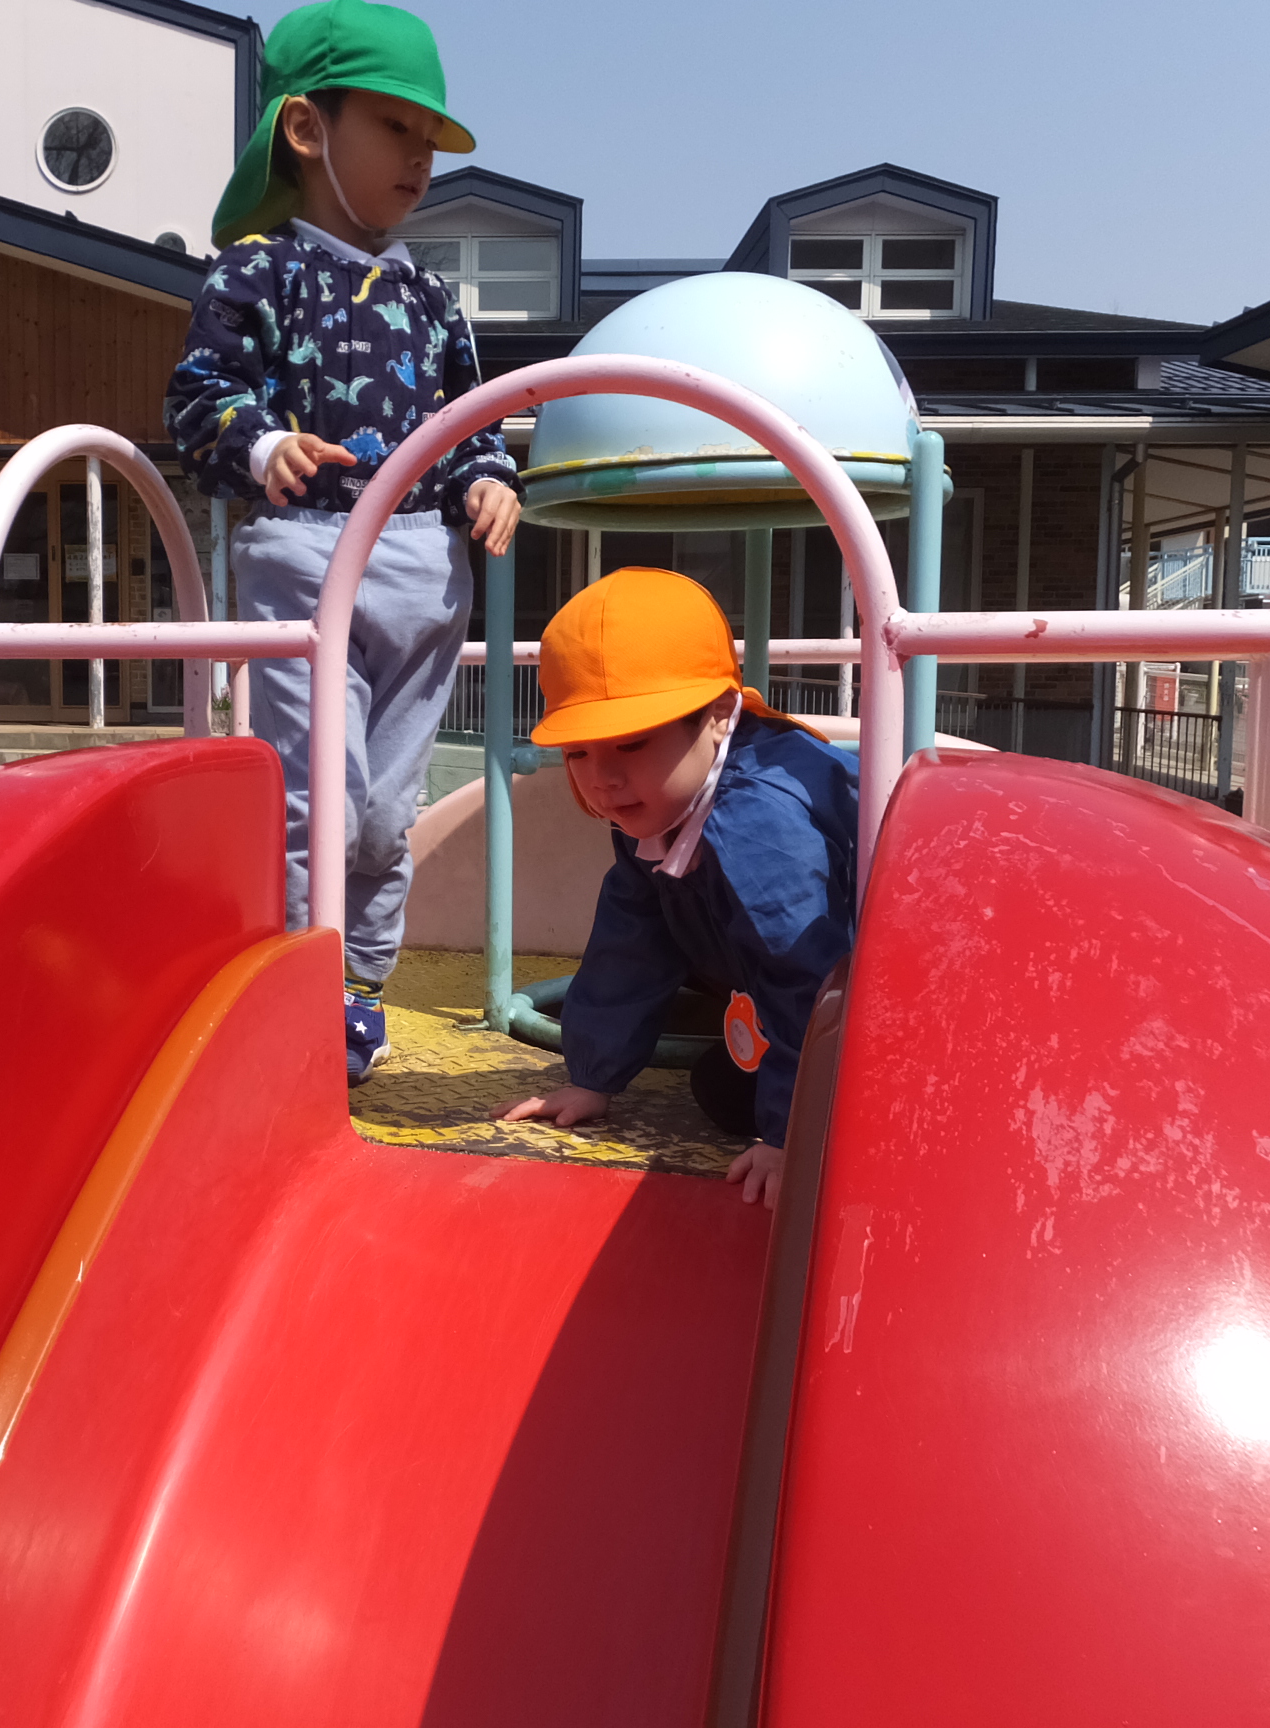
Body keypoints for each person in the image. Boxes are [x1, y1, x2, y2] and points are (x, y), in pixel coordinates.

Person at [166, 0, 520, 1086]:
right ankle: (306, 976)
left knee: (384, 812)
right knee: (321, 797)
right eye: (395, 128)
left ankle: (361, 981)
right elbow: (198, 398)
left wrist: (492, 477)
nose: (420, 159)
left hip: (423, 566)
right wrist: (262, 440)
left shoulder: (430, 297)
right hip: (308, 555)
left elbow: (469, 419)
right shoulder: (258, 271)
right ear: (309, 129)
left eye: (430, 139)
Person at [499, 568, 858, 1207]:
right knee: (721, 1082)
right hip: (777, 977)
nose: (602, 779)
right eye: (577, 753)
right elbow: (632, 937)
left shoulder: (759, 823)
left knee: (727, 1094)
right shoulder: (658, 800)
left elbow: (810, 975)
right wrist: (593, 1079)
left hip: (887, 1006)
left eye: (632, 743)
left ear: (719, 716)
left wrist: (790, 1136)